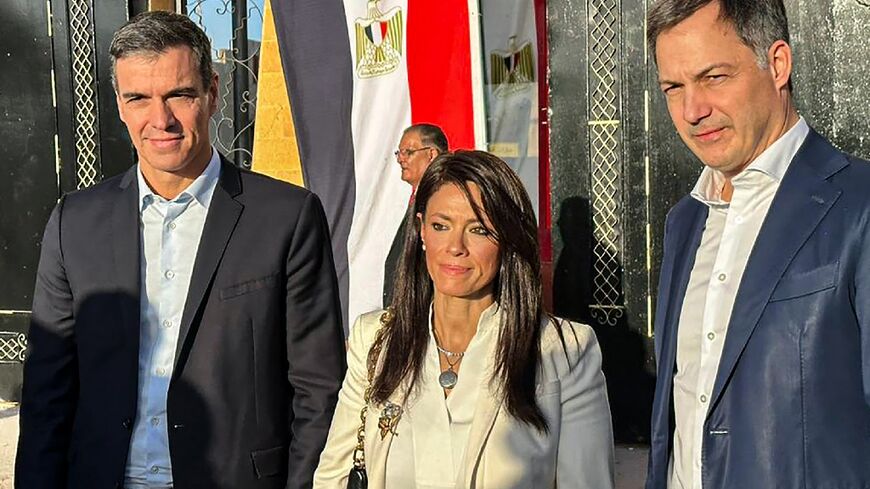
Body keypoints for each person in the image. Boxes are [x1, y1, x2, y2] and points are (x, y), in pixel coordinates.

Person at [16, 11, 346, 489]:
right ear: (120, 105)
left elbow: (317, 388)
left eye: (179, 94)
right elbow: (48, 390)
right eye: (139, 98)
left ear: (212, 92)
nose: (161, 119)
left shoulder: (286, 218)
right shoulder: (75, 223)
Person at [646, 1, 870, 488]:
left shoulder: (859, 206)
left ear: (778, 64)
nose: (692, 110)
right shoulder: (685, 222)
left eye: (714, 77)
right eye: (673, 88)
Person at [315, 150, 614, 488]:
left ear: (508, 240)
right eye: (441, 226)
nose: (455, 246)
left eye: (479, 230)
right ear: (422, 231)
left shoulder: (564, 350)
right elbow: (333, 478)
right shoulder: (374, 342)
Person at [383, 124, 448, 306]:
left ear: (431, 154)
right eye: (399, 153)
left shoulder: (440, 199)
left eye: (408, 152)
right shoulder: (419, 197)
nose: (400, 159)